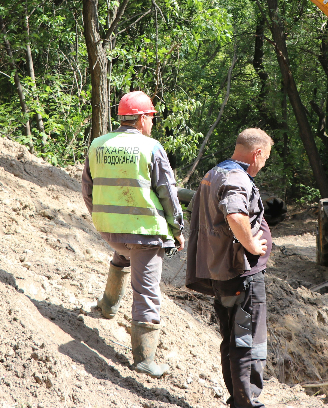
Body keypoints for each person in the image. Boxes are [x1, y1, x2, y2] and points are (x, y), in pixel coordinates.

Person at [81, 91, 184, 378]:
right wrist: (177, 230)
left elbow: (87, 189)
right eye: (151, 117)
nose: (152, 123)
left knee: (122, 255)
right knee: (147, 292)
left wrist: (102, 217)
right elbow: (168, 194)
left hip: (109, 229)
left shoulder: (98, 145)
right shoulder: (151, 148)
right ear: (141, 119)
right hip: (144, 234)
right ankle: (144, 359)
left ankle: (108, 306)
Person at [186, 128, 273, 408]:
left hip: (220, 272)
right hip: (240, 275)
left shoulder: (214, 173)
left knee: (233, 340)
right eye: (265, 159)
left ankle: (238, 399)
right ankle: (248, 403)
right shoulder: (236, 177)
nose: (263, 165)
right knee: (248, 341)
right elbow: (235, 214)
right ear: (257, 153)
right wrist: (251, 245)